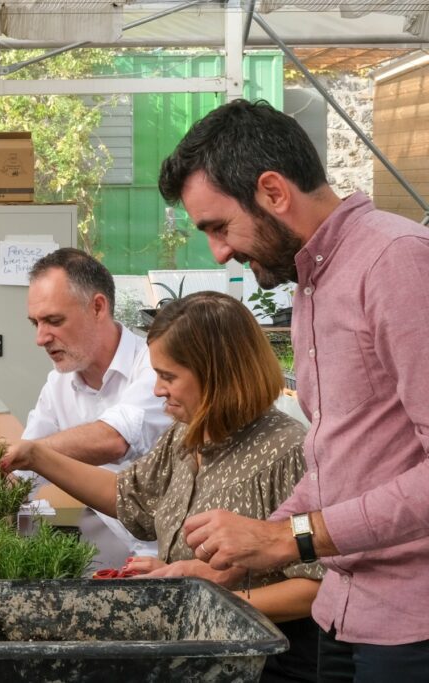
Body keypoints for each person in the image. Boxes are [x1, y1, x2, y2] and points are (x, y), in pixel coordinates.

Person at [158, 98, 429, 679]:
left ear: (274, 192)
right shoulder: (310, 282)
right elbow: (343, 462)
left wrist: (291, 539)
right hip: (341, 611)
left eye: (219, 226)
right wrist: (238, 560)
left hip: (411, 626)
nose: (220, 251)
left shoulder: (395, 261)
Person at [0, 291, 322, 682]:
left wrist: (204, 598)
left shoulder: (286, 450)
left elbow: (315, 589)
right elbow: (130, 499)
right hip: (195, 655)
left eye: (169, 377)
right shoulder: (184, 436)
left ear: (218, 374)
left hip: (263, 665)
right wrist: (37, 456)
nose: (158, 390)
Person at [0, 248, 171, 564]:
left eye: (53, 321)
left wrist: (24, 455)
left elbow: (113, 439)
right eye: (35, 323)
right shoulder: (60, 383)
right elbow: (22, 473)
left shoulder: (156, 366)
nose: (41, 338)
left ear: (98, 307)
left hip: (167, 555)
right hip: (112, 550)